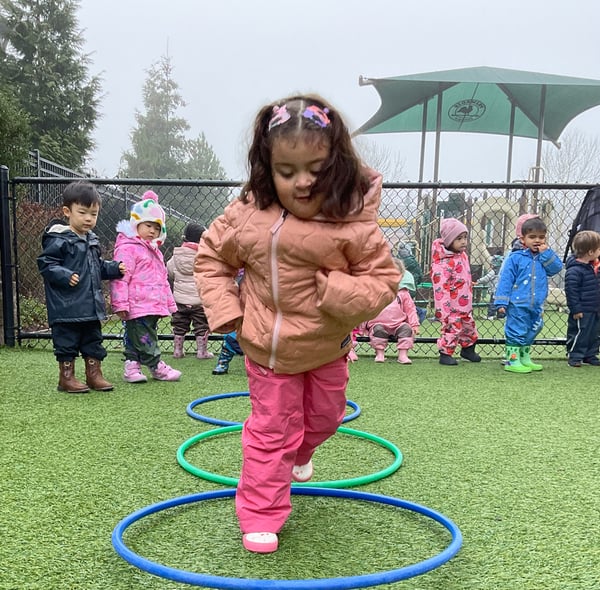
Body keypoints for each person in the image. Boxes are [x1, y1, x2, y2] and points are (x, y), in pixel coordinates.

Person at [194, 94, 401, 553]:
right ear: (267, 168)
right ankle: (260, 514)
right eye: (286, 171)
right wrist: (227, 311)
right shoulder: (248, 214)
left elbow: (384, 280)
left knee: (325, 419)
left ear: (337, 164)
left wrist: (339, 293)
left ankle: (303, 450)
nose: (302, 182)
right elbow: (210, 259)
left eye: (316, 169)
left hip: (326, 348)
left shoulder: (353, 220)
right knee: (272, 432)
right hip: (267, 351)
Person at [37, 180, 125, 393]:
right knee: (66, 343)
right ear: (67, 212)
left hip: (90, 307)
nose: (88, 218)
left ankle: (94, 374)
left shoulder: (91, 240)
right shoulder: (59, 239)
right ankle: (66, 378)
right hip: (66, 307)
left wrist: (114, 268)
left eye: (93, 214)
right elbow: (46, 264)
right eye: (83, 213)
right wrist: (65, 275)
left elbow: (97, 267)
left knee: (93, 340)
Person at [110, 190, 181, 382]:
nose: (152, 231)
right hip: (137, 304)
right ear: (136, 224)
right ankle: (156, 365)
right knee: (145, 336)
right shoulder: (128, 249)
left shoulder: (154, 251)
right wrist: (120, 303)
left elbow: (162, 279)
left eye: (157, 228)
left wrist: (169, 303)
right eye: (148, 225)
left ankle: (132, 366)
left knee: (136, 335)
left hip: (152, 304)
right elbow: (120, 278)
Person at [495, 216, 563, 373]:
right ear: (523, 239)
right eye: (532, 237)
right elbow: (506, 280)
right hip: (518, 303)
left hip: (536, 303)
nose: (537, 240)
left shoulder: (543, 257)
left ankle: (524, 357)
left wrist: (546, 253)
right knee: (516, 330)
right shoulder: (515, 258)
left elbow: (556, 268)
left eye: (541, 237)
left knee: (534, 328)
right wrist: (501, 301)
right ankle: (512, 361)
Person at [430, 218, 481, 366]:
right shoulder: (442, 262)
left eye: (465, 237)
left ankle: (468, 349)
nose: (464, 241)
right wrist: (443, 310)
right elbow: (440, 287)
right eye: (459, 239)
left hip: (464, 303)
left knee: (469, 327)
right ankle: (445, 353)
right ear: (449, 241)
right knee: (452, 329)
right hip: (451, 306)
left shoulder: (462, 256)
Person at [358, 258, 420, 364]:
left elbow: (410, 309)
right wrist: (361, 327)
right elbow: (366, 309)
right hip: (377, 323)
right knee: (378, 331)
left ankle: (403, 354)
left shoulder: (403, 293)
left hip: (398, 323)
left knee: (406, 329)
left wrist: (414, 325)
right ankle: (380, 353)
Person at [167, 222, 214, 360]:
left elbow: (169, 271)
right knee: (201, 325)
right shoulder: (205, 257)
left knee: (179, 325)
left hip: (180, 300)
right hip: (199, 300)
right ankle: (202, 352)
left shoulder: (177, 255)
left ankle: (177, 351)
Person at [564, 230, 600, 367]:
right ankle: (575, 355)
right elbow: (571, 291)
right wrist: (576, 309)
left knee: (594, 333)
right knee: (580, 332)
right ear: (591, 252)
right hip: (582, 309)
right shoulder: (575, 270)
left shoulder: (595, 267)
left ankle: (590, 354)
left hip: (595, 308)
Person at [477, 254, 504, 319]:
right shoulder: (503, 271)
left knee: (492, 303)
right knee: (500, 303)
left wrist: (478, 281)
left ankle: (491, 315)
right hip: (502, 291)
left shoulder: (494, 271)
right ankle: (501, 315)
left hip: (495, 290)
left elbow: (486, 278)